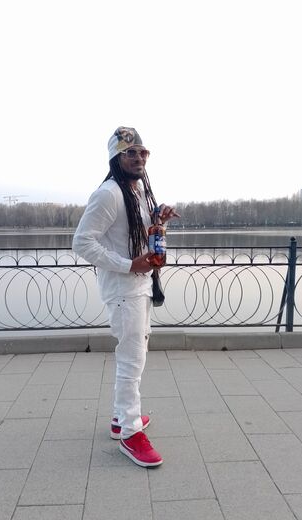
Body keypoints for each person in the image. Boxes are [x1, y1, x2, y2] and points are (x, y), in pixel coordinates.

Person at [72, 126, 179, 467]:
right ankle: (131, 433)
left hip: (140, 285)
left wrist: (159, 222)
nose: (138, 157)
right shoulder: (109, 194)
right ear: (115, 158)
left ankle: (122, 418)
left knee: (136, 355)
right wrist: (129, 265)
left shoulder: (138, 192)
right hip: (123, 289)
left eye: (142, 152)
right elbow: (82, 242)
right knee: (131, 360)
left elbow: (142, 237)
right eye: (130, 152)